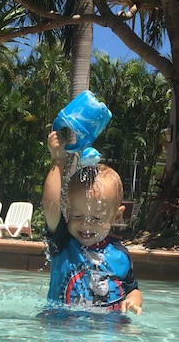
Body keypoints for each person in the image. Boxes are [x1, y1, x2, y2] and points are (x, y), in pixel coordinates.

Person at [42, 130, 143, 314]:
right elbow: (51, 205)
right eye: (78, 216)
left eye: (96, 218)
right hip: (63, 330)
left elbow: (133, 289)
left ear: (116, 217)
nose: (86, 224)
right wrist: (58, 160)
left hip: (107, 333)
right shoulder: (63, 243)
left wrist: (133, 301)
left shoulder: (120, 255)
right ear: (67, 209)